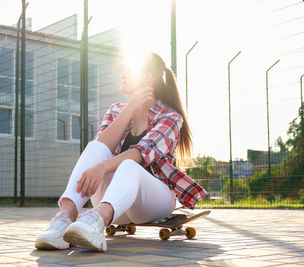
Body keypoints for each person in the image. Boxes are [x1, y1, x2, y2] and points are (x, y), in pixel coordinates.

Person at [35, 52, 207, 252]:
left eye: (129, 70)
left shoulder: (170, 117)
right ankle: (64, 218)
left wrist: (101, 168)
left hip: (153, 202)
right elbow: (102, 146)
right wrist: (130, 108)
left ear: (147, 77)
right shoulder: (116, 110)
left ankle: (96, 222)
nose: (122, 75)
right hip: (115, 202)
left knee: (129, 165)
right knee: (95, 147)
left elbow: (141, 153)